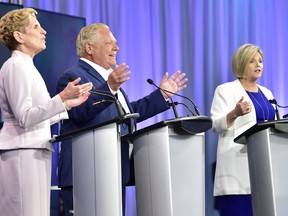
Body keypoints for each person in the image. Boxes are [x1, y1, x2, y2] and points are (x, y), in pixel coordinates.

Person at [56, 23, 188, 215]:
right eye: (109, 43)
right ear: (89, 48)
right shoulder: (73, 76)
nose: (116, 48)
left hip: (114, 172)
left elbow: (127, 114)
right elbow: (79, 112)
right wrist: (109, 87)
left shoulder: (108, 79)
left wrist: (162, 96)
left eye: (115, 43)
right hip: (85, 174)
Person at [0, 8, 93, 216]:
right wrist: (61, 99)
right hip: (22, 152)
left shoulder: (28, 67)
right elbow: (25, 117)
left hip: (34, 149)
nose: (44, 31)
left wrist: (68, 104)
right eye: (36, 27)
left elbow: (38, 115)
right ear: (19, 36)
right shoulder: (15, 66)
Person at [211, 43, 276, 216]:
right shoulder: (225, 90)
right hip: (237, 172)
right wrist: (234, 113)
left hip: (265, 170)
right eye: (252, 61)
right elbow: (215, 124)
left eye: (260, 61)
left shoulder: (267, 93)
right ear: (241, 64)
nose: (258, 65)